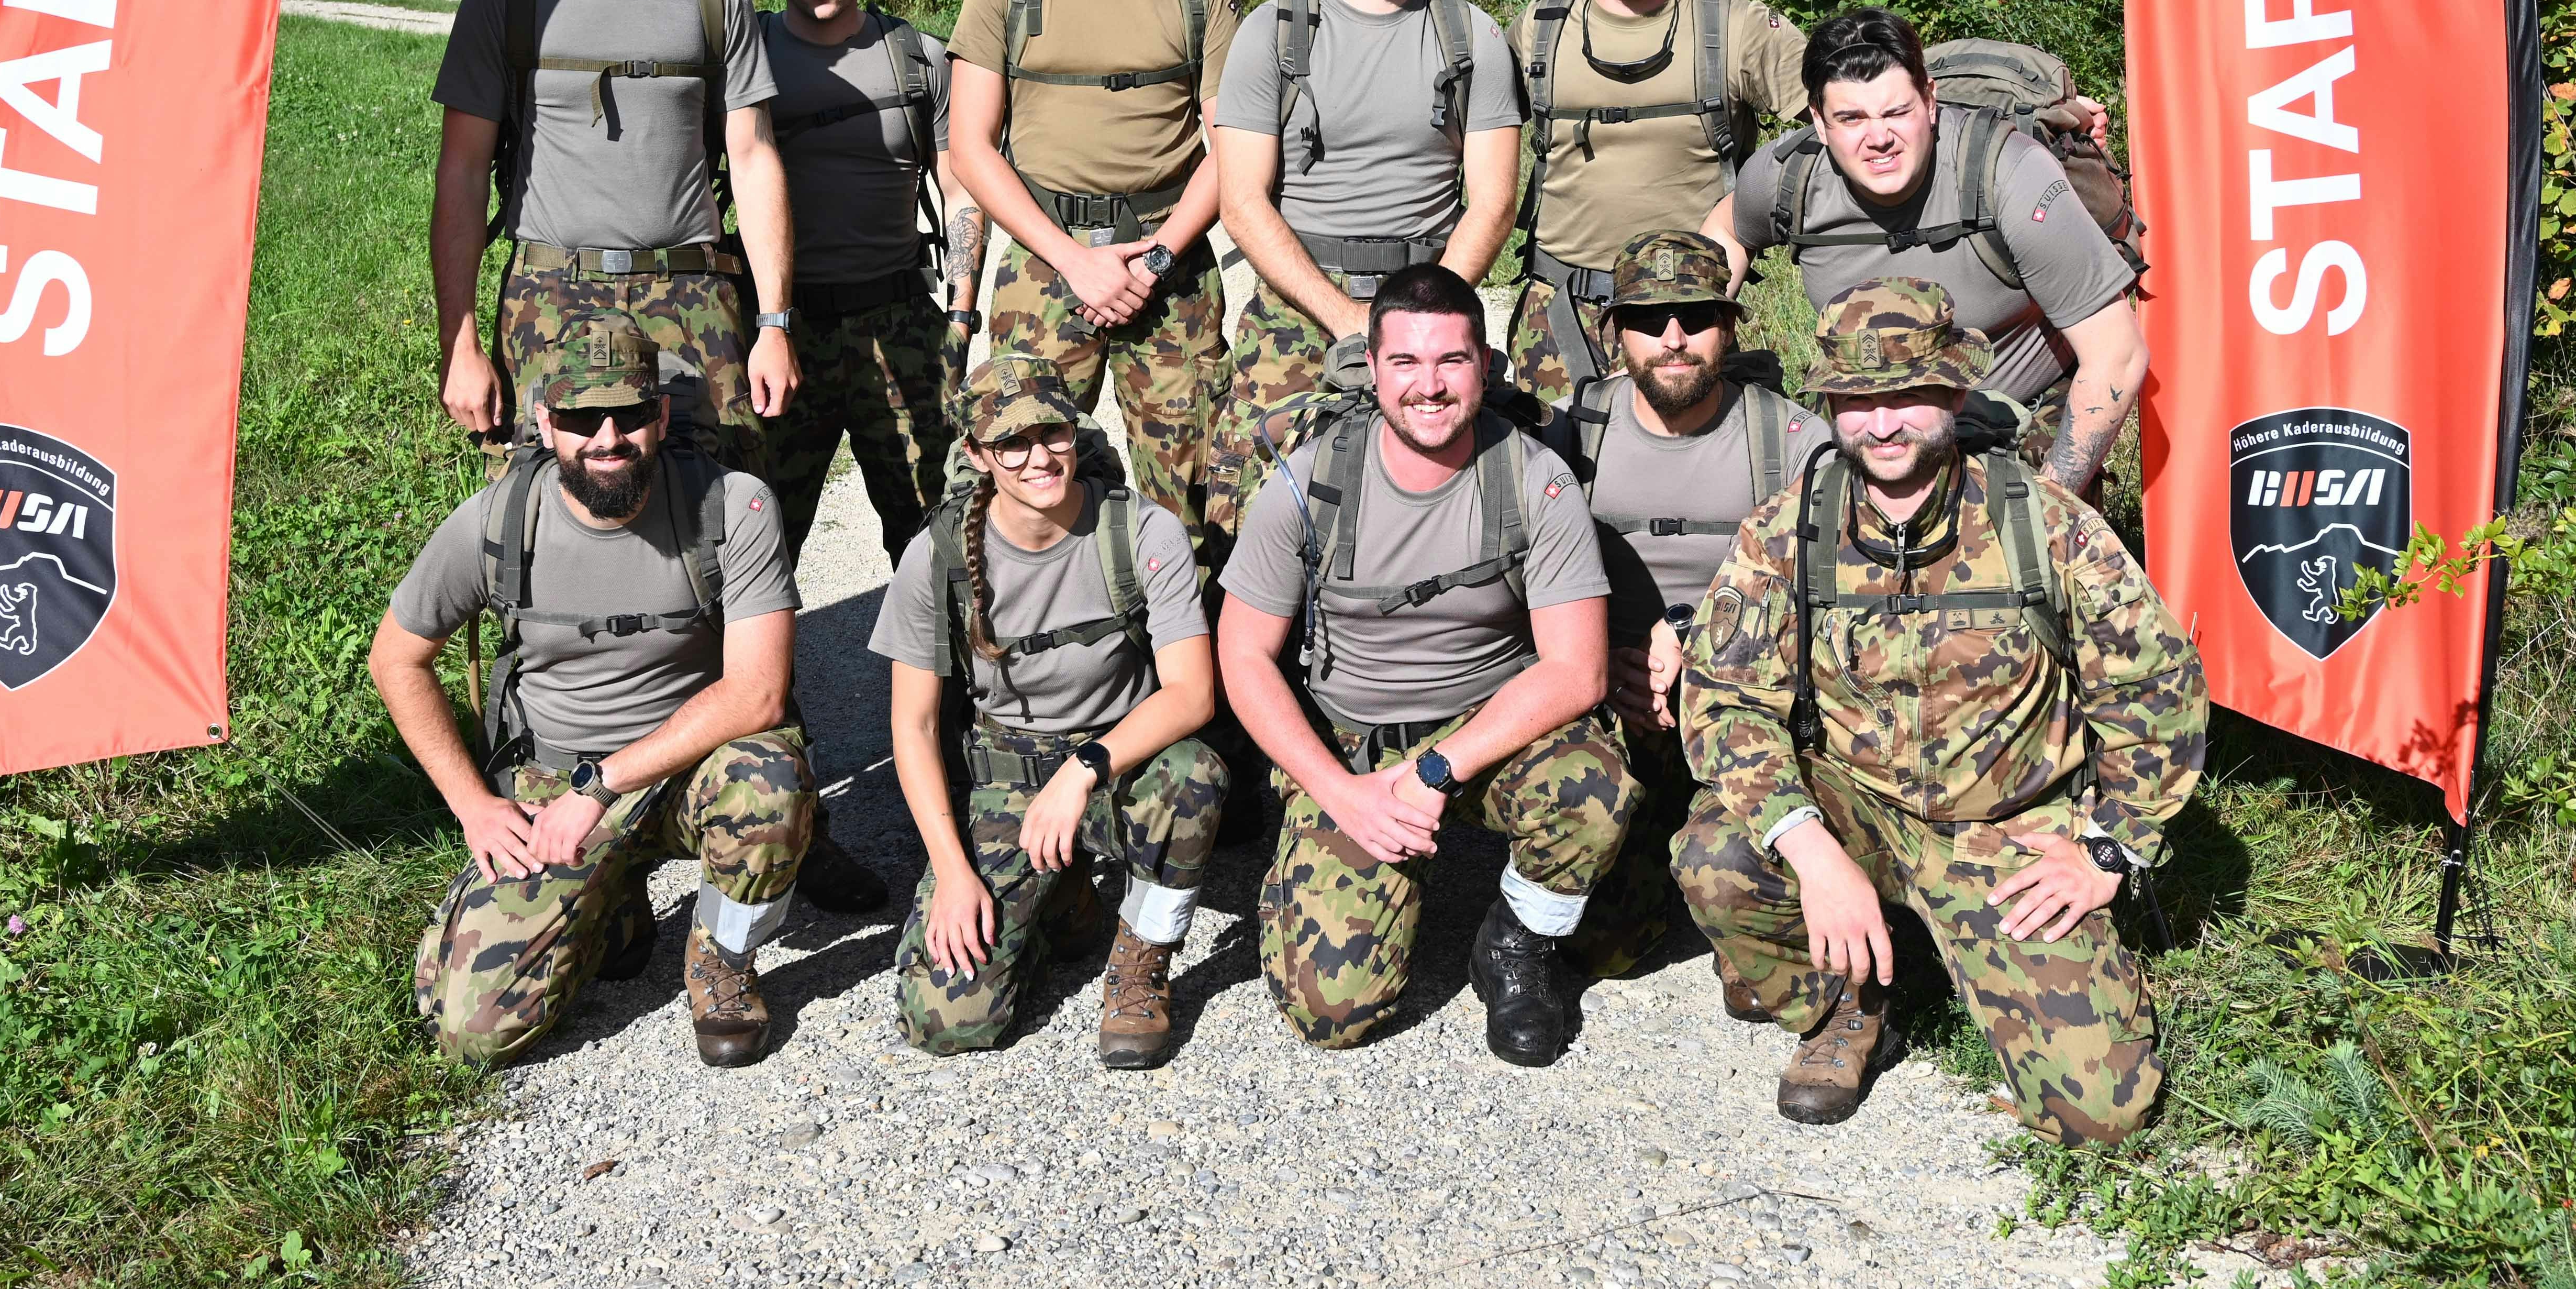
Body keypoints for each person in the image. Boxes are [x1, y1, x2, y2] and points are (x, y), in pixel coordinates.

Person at [1674, 281, 2204, 1134]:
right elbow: (1724, 704)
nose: (1882, 423)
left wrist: (2109, 845)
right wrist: (1813, 853)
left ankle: (1952, 953)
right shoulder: (1786, 532)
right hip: (1854, 809)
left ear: (1955, 394)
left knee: (2100, 1113)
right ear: (1830, 406)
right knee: (1717, 855)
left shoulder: (2041, 524)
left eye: (1908, 396)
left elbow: (2155, 686)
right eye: (1858, 400)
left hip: (2007, 832)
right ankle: (1847, 1002)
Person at [370, 317, 815, 1067]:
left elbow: (759, 695)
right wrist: (474, 805)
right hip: (553, 784)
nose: (608, 439)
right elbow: (396, 661)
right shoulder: (497, 522)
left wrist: (603, 784)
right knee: (473, 1031)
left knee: (770, 783)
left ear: (661, 415)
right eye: (582, 418)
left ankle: (723, 959)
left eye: (630, 415)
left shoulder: (731, 506)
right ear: (546, 424)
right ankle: (617, 908)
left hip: (690, 769)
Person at [1216, 264, 1632, 1065]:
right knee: (1333, 1012)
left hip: (1489, 731)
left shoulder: (1534, 480)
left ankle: (1516, 944)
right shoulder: (1310, 484)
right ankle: (1305, 874)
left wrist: (1435, 772)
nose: (1429, 386)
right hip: (1353, 744)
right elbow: (1243, 655)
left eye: (1452, 360)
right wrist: (1339, 792)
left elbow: (1576, 671)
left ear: (1486, 365)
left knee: (1593, 790)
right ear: (1372, 369)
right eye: (1405, 362)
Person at [428, 0, 799, 472]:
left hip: (693, 298)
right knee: (547, 511)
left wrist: (774, 324)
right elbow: (463, 175)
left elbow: (754, 160)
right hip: (549, 298)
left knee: (717, 509)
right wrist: (459, 343)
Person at [873, 355, 1225, 1067]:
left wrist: (1082, 770)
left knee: (1195, 775)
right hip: (1005, 775)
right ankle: (1058, 904)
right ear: (977, 454)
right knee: (947, 1020)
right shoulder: (938, 554)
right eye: (1012, 443)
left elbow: (1192, 693)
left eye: (1052, 434)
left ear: (1074, 430)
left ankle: (1142, 962)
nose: (1039, 458)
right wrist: (952, 871)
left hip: (1117, 760)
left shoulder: (1140, 530)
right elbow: (913, 727)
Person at [946, 0, 1239, 545]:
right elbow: (970, 147)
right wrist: (1076, 261)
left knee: (1193, 499)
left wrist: (1157, 257)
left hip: (1170, 267)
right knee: (1024, 488)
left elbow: (1233, 148)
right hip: (1045, 266)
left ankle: (1184, 625)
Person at [1208, 0, 1520, 533]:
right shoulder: (1272, 34)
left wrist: (1417, 320)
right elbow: (1242, 201)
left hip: (1431, 296)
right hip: (1298, 309)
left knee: (1457, 513)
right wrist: (1349, 318)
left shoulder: (1472, 36)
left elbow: (1494, 201)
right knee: (1253, 513)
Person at [1539, 231, 1828, 982]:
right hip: (1614, 704)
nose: (1673, 338)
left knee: (1747, 925)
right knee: (1602, 950)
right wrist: (1600, 663)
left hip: (1747, 706)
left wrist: (1696, 641)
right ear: (1616, 332)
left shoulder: (1792, 442)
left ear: (1729, 326)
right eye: (1649, 318)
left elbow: (1830, 606)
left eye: (1696, 316)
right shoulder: (1570, 435)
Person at [1705, 8, 2145, 493]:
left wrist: (2052, 503)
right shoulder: (1789, 178)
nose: (1879, 139)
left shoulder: (2008, 174)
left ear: (1930, 101)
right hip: (1866, 409)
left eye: (1897, 113)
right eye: (1851, 119)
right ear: (1819, 121)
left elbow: (2117, 354)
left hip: (2013, 414)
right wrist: (1695, 337)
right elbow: (1728, 231)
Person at [1503, 0, 1808, 406]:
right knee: (1548, 460)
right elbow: (1463, 137)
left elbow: (1840, 123)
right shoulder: (1540, 30)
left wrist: (1754, 216)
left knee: (1695, 463)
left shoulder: (1735, 28)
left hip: (1688, 318)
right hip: (1560, 318)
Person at [754, 0, 973, 563]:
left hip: (901, 322)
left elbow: (960, 189)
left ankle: (937, 645)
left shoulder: (919, 58)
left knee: (936, 542)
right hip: (784, 332)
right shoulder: (745, 60)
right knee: (758, 545)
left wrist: (961, 317)